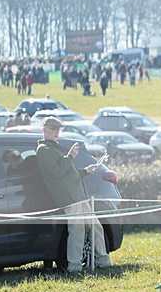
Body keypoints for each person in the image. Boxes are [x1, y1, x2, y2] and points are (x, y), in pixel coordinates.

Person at [36, 116, 111, 274]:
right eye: (52, 129)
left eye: (58, 129)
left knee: (95, 227)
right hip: (69, 197)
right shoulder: (43, 150)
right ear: (43, 129)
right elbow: (56, 173)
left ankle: (104, 262)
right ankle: (74, 267)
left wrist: (85, 171)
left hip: (78, 195)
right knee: (77, 231)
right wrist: (70, 156)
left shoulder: (55, 147)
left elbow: (68, 172)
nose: (56, 132)